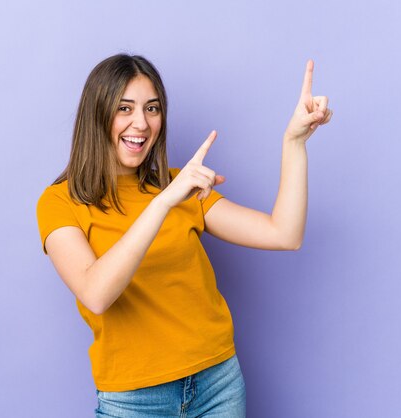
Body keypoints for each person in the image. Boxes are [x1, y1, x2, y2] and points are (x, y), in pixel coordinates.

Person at [36, 54, 332, 417]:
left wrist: (294, 142)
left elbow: (284, 234)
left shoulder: (181, 186)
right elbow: (96, 294)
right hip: (134, 400)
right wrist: (163, 203)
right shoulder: (60, 202)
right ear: (96, 114)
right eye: (124, 108)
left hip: (218, 383)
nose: (141, 123)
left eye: (152, 108)